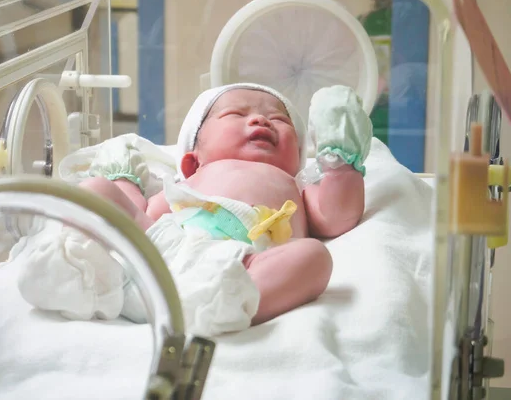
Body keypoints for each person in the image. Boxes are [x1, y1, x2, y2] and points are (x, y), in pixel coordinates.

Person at [77, 83, 371, 326]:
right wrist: (123, 182)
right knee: (95, 190)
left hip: (241, 268)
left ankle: (228, 303)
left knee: (315, 258)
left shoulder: (295, 186)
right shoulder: (190, 182)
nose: (261, 120)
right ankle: (97, 270)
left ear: (297, 158)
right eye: (236, 113)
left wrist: (339, 160)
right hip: (164, 254)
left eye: (279, 120)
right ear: (193, 161)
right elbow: (144, 216)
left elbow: (337, 216)